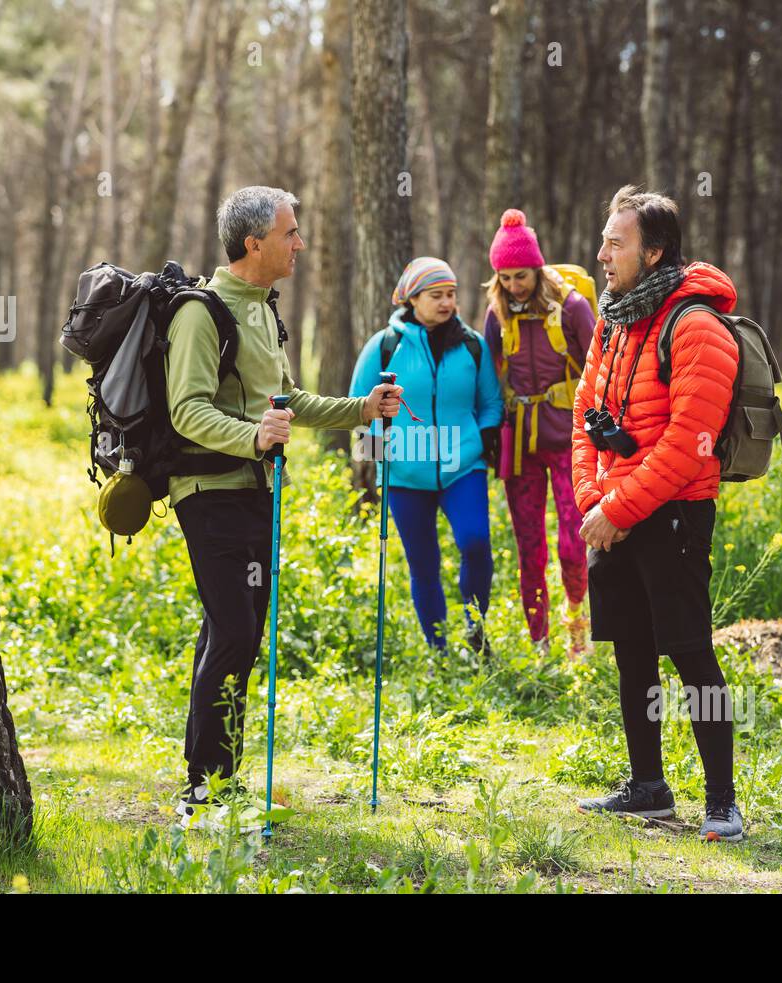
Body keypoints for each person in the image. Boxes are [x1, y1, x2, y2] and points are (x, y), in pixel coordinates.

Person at [164, 185, 401, 825]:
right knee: (234, 630)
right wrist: (252, 437)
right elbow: (185, 410)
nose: (300, 243)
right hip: (208, 491)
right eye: (291, 233)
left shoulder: (266, 310)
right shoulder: (200, 312)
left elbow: (286, 399)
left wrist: (360, 409)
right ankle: (203, 789)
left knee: (234, 631)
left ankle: (215, 780)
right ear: (254, 243)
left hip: (256, 492)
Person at [571, 185, 744, 842]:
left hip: (673, 517)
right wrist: (596, 502)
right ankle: (648, 789)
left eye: (617, 243)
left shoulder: (696, 327)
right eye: (605, 240)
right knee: (633, 653)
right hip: (610, 514)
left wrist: (618, 506)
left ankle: (722, 801)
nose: (603, 253)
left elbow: (687, 442)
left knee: (691, 654)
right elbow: (585, 417)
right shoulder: (614, 319)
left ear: (655, 251)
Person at [349, 257, 504, 654]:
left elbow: (490, 401)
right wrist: (374, 457)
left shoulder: (472, 345)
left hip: (462, 465)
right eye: (436, 295)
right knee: (423, 563)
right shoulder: (385, 346)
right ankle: (438, 649)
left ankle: (477, 631)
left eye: (451, 294)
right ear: (413, 299)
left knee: (474, 542)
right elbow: (357, 406)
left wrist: (486, 437)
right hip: (404, 472)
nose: (446, 302)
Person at [482, 209, 596, 656]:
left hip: (570, 442)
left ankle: (577, 627)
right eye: (505, 277)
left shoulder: (573, 307)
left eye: (521, 275)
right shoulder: (497, 315)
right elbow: (489, 379)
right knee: (530, 548)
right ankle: (539, 643)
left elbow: (598, 370)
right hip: (520, 446)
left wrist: (602, 435)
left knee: (573, 544)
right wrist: (491, 431)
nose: (514, 286)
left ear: (537, 268)